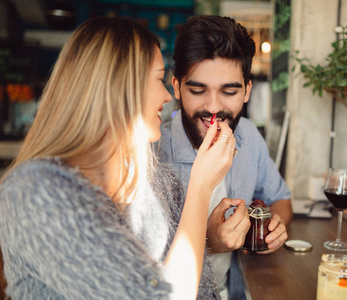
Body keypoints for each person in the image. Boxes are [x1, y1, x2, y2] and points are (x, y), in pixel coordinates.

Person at [0, 17, 236, 299]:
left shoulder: (154, 179)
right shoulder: (35, 192)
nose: (165, 95)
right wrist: (201, 186)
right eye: (159, 79)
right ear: (120, 87)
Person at [155, 15, 293, 299]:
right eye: (197, 90)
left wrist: (274, 225)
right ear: (177, 87)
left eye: (229, 91)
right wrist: (210, 243)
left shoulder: (249, 136)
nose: (214, 108)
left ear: (247, 92)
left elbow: (281, 200)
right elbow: (147, 282)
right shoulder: (154, 152)